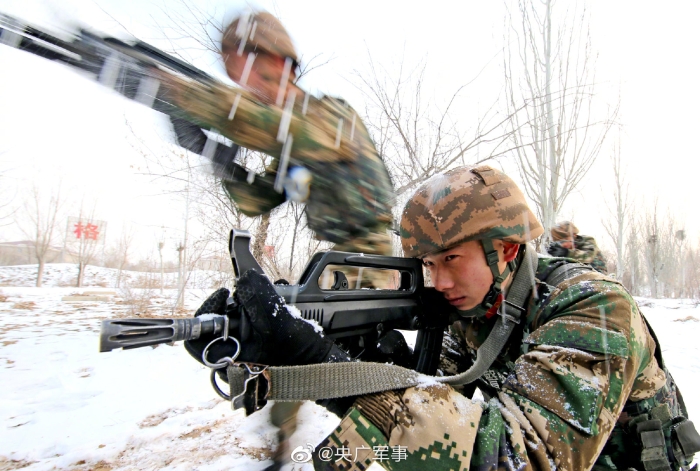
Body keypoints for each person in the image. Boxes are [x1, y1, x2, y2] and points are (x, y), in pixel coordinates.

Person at [187, 165, 699, 471]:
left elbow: (517, 459)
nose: (440, 282)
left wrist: (325, 366)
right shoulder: (472, 313)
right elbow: (442, 427)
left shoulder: (593, 308)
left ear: (506, 250)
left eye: (452, 259)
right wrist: (345, 361)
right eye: (429, 265)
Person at [158, 10, 394, 258]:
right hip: (339, 261)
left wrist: (178, 93)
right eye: (238, 81)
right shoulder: (295, 156)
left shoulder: (333, 117)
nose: (247, 90)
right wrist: (217, 158)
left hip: (372, 259)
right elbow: (257, 201)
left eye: (251, 75)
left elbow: (271, 126)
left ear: (280, 63)